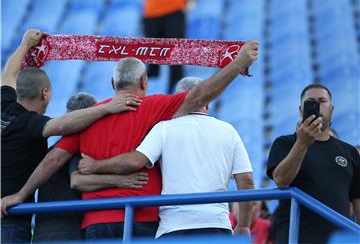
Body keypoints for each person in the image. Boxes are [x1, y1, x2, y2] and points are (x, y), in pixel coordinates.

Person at [1, 40, 259, 240]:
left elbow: (54, 158)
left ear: (112, 82)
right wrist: (235, 65)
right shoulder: (159, 108)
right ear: (145, 82)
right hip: (146, 216)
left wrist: (21, 194)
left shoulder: (87, 117)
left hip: (97, 221)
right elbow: (199, 95)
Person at [1, 29, 142, 244]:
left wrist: (24, 45)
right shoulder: (29, 124)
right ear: (45, 93)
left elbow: (9, 74)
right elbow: (61, 125)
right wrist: (106, 109)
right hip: (9, 219)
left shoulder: (3, 104)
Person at [77, 77, 255, 238]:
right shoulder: (228, 131)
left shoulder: (164, 128)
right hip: (216, 224)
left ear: (178, 100)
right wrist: (244, 225)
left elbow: (134, 161)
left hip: (174, 226)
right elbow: (246, 180)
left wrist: (95, 166)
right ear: (207, 103)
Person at [32, 92, 149, 242]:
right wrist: (121, 181)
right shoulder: (77, 149)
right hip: (69, 232)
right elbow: (77, 181)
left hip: (43, 231)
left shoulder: (52, 150)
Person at [266, 83, 360, 243]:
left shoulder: (349, 152)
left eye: (322, 101)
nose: (317, 105)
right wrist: (302, 142)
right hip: (296, 238)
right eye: (311, 102)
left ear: (332, 109)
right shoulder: (284, 143)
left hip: (338, 239)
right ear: (300, 110)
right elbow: (281, 180)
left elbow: (358, 201)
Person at [143, 0, 199, 93]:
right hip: (151, 13)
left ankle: (176, 99)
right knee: (152, 61)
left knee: (176, 60)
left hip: (175, 10)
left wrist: (190, 3)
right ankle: (150, 100)